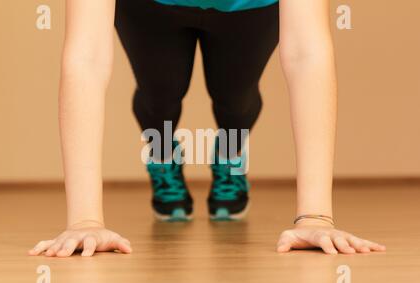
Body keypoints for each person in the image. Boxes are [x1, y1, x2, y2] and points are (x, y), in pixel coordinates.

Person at [29, 0, 386, 257]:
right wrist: (84, 220)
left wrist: (316, 216)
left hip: (249, 9)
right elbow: (86, 58)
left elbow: (307, 53)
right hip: (149, 7)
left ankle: (229, 153)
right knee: (160, 95)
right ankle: (162, 151)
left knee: (235, 98)